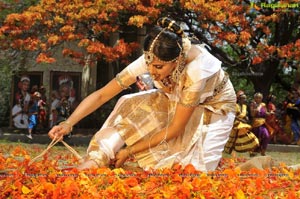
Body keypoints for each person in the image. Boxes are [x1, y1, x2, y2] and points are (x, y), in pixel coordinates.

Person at [48, 17, 236, 172]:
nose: (152, 72)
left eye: (159, 67)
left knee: (194, 173)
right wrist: (68, 123)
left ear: (177, 60)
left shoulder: (197, 70)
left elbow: (175, 129)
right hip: (174, 100)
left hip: (215, 108)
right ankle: (96, 160)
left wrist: (129, 151)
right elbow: (103, 95)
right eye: (150, 66)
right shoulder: (152, 58)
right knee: (129, 103)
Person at [224, 90, 259, 155]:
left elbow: (245, 115)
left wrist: (246, 118)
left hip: (242, 125)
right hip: (236, 124)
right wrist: (241, 120)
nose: (245, 100)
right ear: (239, 99)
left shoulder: (244, 106)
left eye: (245, 98)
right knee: (233, 139)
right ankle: (228, 150)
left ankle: (251, 151)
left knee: (248, 136)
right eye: (243, 98)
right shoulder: (236, 106)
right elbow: (233, 116)